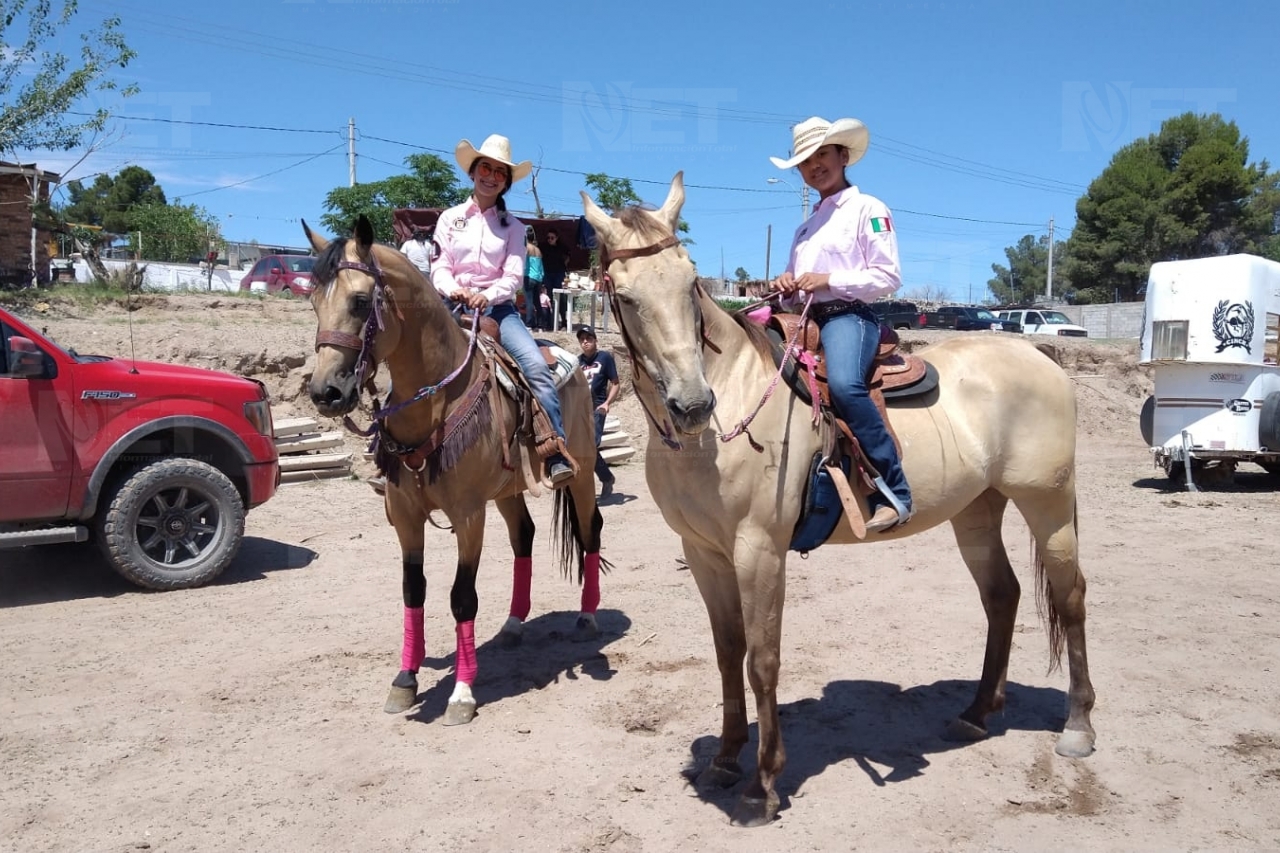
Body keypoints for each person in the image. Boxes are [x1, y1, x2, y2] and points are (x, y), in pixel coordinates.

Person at [769, 115, 912, 533]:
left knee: (847, 385)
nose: (814, 166)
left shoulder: (870, 209)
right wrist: (785, 287)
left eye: (822, 155)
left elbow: (887, 277)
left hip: (850, 316)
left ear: (843, 156)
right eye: (805, 161)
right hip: (805, 320)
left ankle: (894, 490)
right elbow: (797, 291)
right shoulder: (804, 228)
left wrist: (830, 279)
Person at [431, 133, 574, 487]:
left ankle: (553, 449)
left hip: (499, 312)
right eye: (486, 167)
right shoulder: (449, 219)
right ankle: (388, 451)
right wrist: (456, 289)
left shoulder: (514, 228)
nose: (491, 176)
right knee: (407, 362)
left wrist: (487, 295)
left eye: (499, 171)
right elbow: (440, 267)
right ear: (473, 171)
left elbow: (512, 276)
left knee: (537, 369)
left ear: (506, 181)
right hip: (451, 305)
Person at [575, 325, 619, 499]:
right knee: (584, 447)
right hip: (579, 412)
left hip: (598, 407)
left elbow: (615, 383)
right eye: (582, 339)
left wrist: (607, 403)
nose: (585, 342)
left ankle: (604, 479)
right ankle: (607, 478)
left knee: (591, 443)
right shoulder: (576, 362)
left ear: (595, 340)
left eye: (589, 338)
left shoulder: (605, 358)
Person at [541, 228, 570, 330]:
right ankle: (549, 323)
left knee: (561, 298)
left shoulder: (562, 247)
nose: (550, 239)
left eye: (552, 237)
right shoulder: (543, 247)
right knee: (548, 298)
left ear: (557, 238)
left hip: (559, 274)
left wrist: (564, 265)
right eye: (548, 237)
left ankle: (564, 322)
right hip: (548, 274)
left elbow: (568, 257)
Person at [523, 226, 543, 327]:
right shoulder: (538, 250)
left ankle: (529, 324)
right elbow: (541, 266)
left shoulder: (527, 248)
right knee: (537, 301)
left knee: (529, 301)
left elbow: (523, 262)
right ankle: (541, 324)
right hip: (538, 278)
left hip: (529, 277)